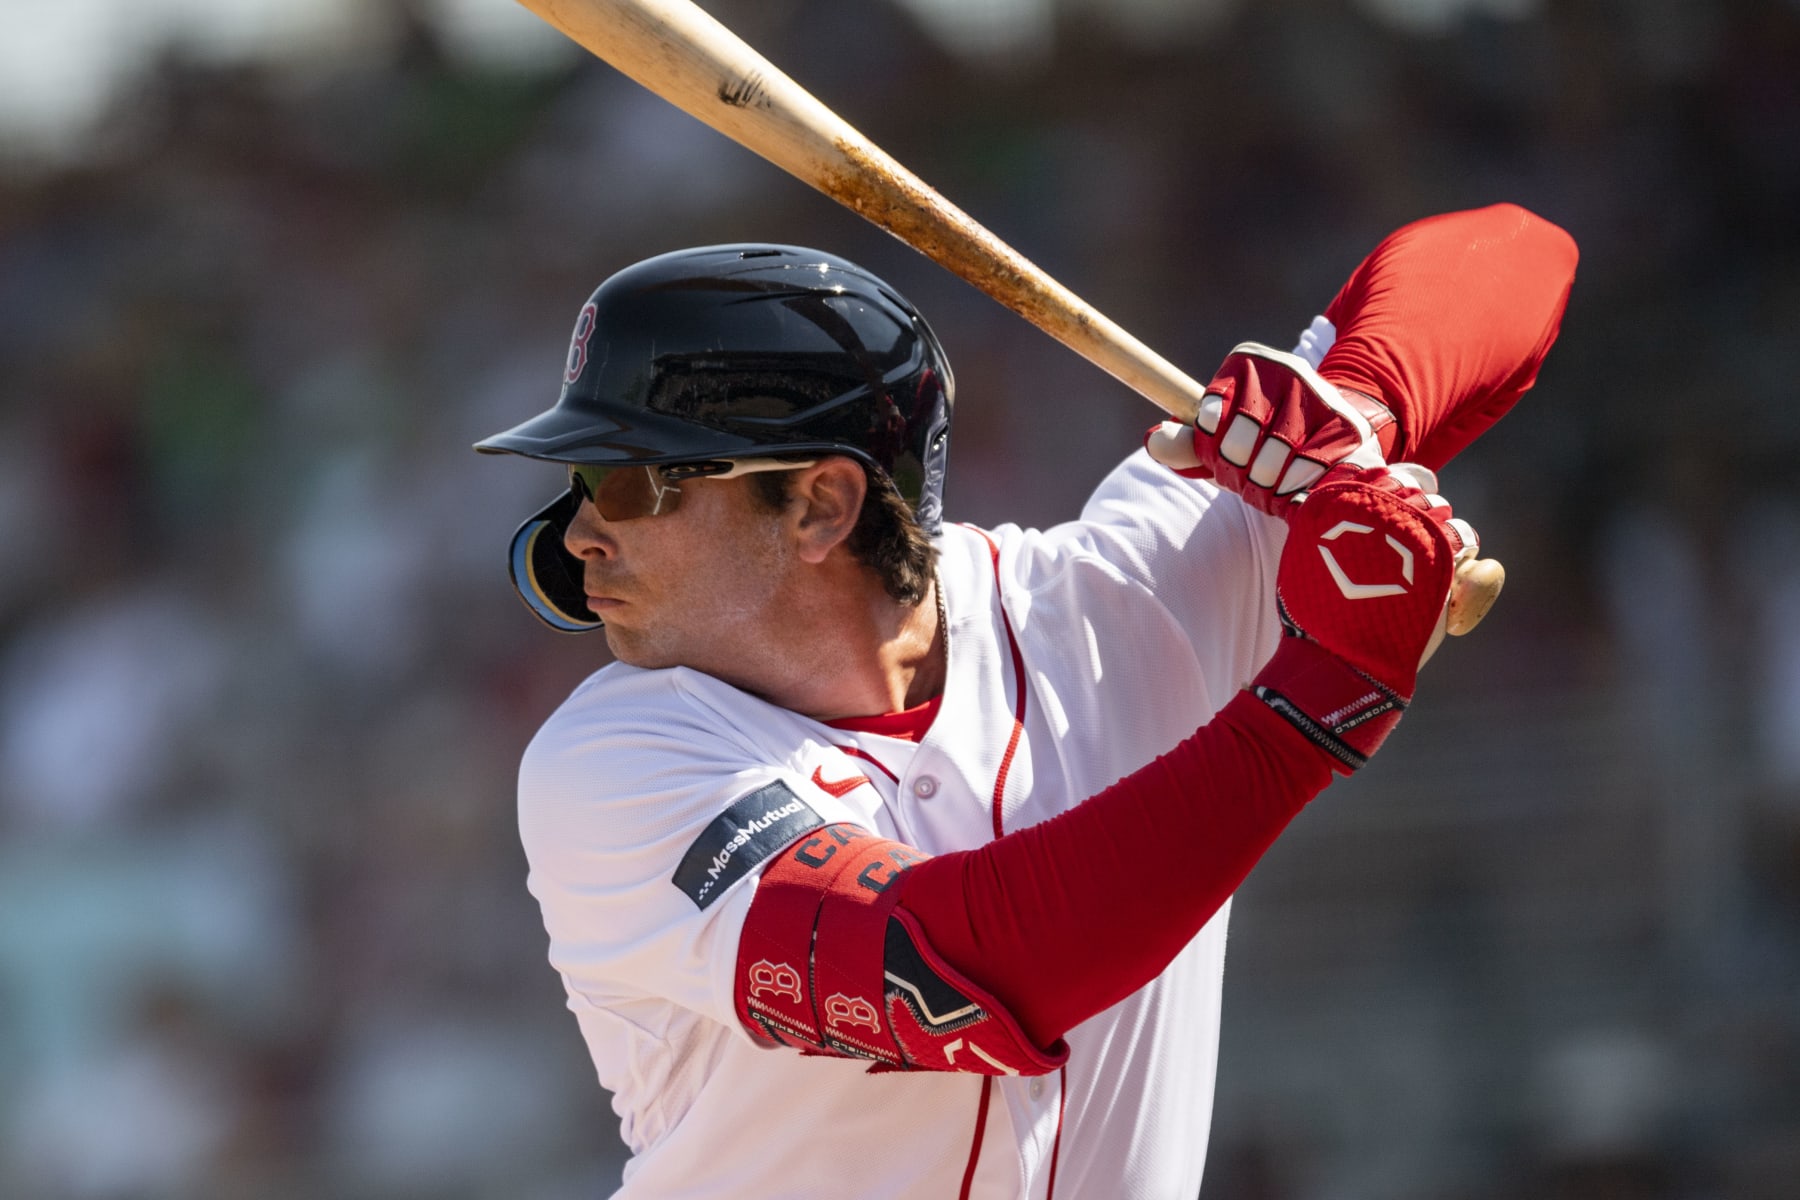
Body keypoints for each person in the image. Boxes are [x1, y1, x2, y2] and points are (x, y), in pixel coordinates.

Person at [474, 204, 1577, 1198]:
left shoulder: (1111, 594)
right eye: (579, 484)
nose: (578, 533)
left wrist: (1353, 407)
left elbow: (1516, 256)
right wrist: (1316, 704)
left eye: (630, 480)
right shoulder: (614, 762)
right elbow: (961, 969)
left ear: (819, 505)